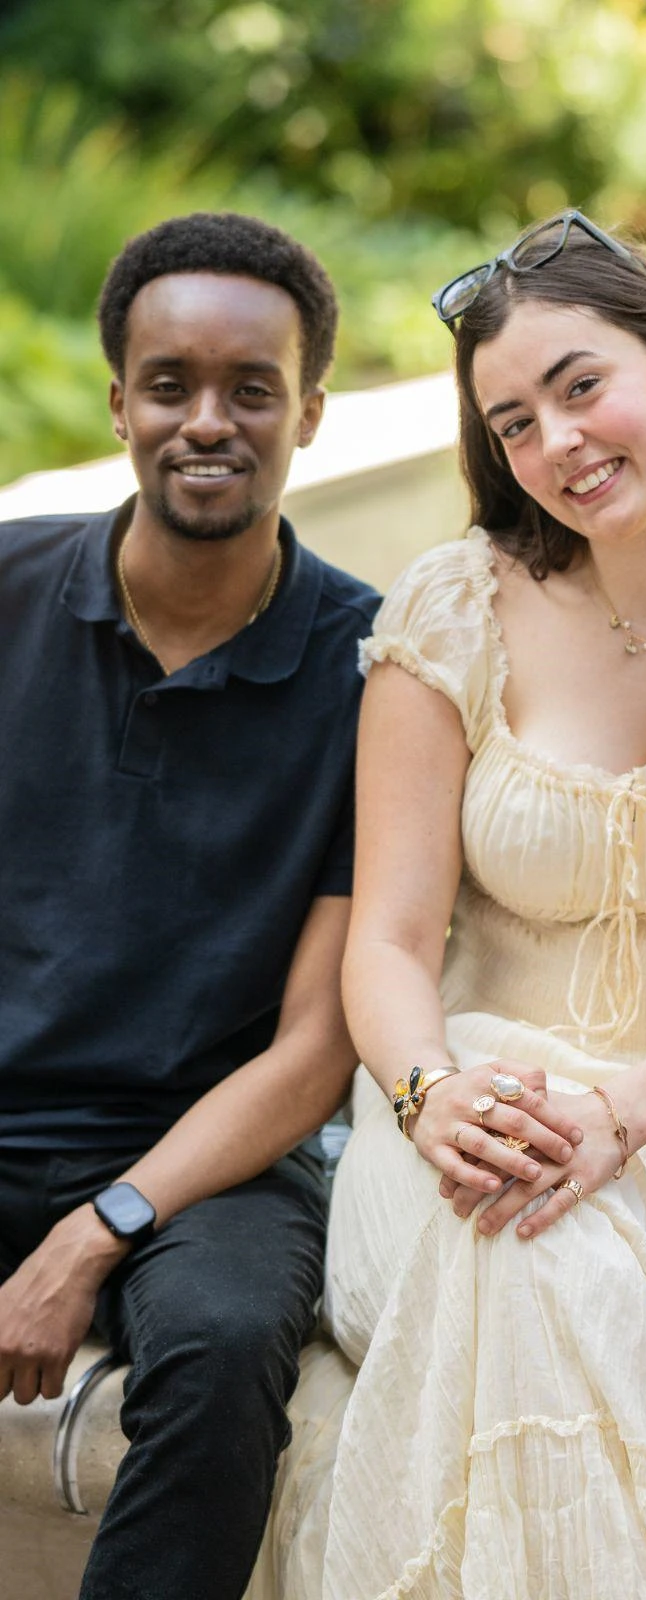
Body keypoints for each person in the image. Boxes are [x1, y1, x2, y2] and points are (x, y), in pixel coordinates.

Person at [275, 212, 646, 1600]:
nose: (557, 442)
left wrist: (632, 1113)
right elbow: (390, 941)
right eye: (513, 423)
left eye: (581, 386)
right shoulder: (459, 608)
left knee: (555, 1256)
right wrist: (429, 1096)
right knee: (515, 1224)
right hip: (456, 1117)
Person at [0, 213, 377, 1600]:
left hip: (217, 1161)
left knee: (221, 1352)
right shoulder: (6, 592)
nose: (206, 422)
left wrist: (96, 1228)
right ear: (120, 404)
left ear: (310, 413)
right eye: (170, 385)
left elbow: (317, 1049)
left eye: (251, 389)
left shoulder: (375, 667)